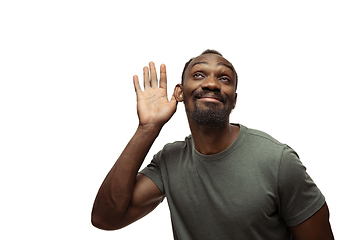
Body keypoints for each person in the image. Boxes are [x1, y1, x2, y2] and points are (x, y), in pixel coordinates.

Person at [91, 50, 334, 239]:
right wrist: (148, 128)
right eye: (198, 75)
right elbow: (105, 217)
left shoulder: (278, 161)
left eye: (224, 78)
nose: (211, 84)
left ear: (234, 99)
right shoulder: (169, 161)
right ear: (180, 93)